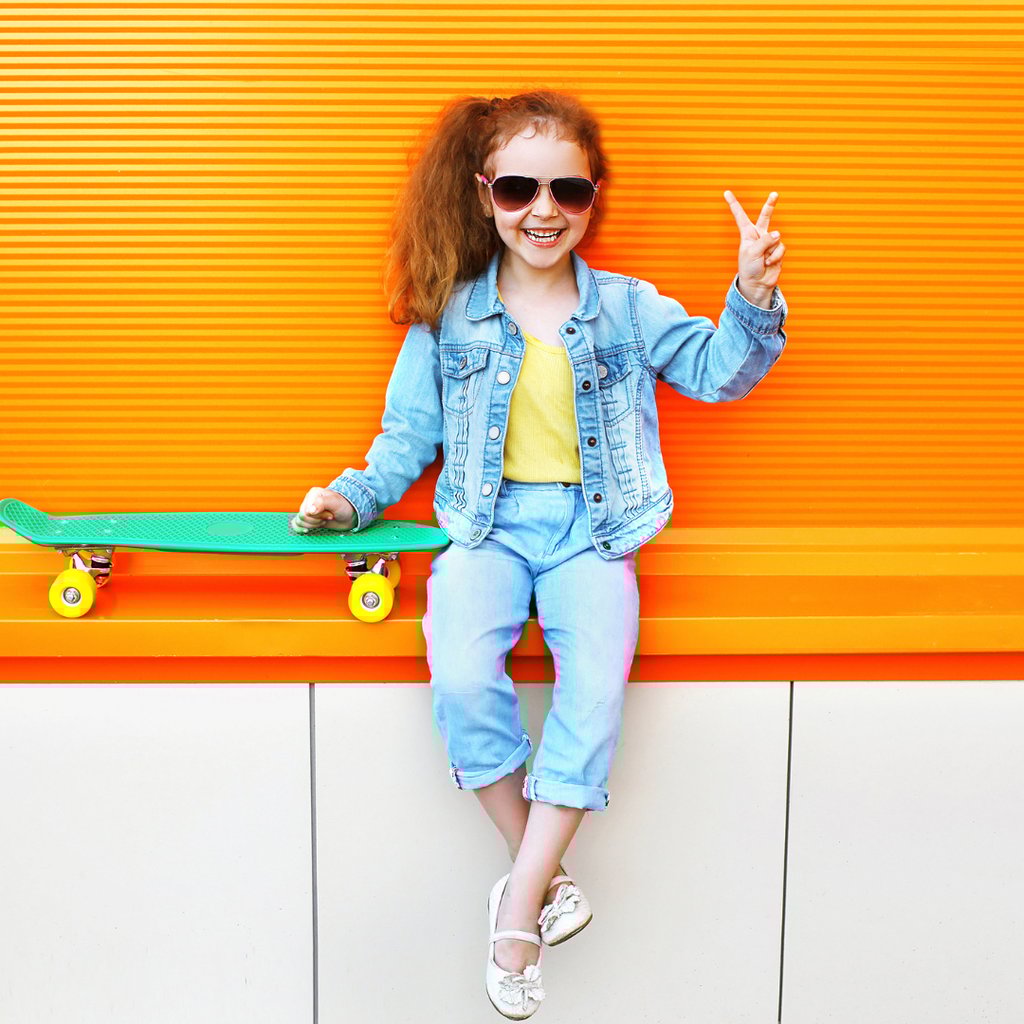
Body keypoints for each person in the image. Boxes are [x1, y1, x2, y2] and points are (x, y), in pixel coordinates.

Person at [290, 90, 788, 1019]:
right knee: (464, 675)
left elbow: (720, 373)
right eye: (519, 187)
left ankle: (517, 905)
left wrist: (751, 297)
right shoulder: (451, 317)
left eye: (568, 190)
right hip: (485, 525)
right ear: (485, 195)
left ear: (594, 198)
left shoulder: (630, 311)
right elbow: (406, 439)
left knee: (594, 694)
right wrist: (350, 498)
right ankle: (544, 880)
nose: (543, 210)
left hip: (595, 531)